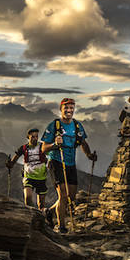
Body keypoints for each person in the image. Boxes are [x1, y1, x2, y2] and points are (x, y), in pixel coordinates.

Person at [42, 98, 97, 233]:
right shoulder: (54, 125)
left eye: (71, 108)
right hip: (56, 161)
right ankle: (62, 227)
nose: (69, 110)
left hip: (71, 163)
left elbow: (83, 142)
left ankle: (49, 212)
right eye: (66, 108)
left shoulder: (77, 126)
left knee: (70, 197)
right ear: (61, 109)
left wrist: (89, 155)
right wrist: (55, 144)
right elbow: (43, 148)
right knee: (63, 195)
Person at [6, 128, 48, 209]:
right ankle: (31, 215)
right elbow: (14, 160)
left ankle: (41, 219)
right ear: (28, 137)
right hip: (28, 177)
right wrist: (10, 164)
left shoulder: (42, 146)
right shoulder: (23, 148)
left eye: (36, 136)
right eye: (33, 137)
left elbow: (51, 154)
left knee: (41, 204)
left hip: (41, 178)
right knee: (28, 198)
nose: (35, 138)